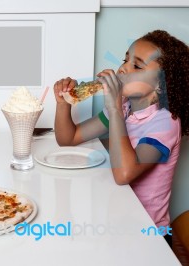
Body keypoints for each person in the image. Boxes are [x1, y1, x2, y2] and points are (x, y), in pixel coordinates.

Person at [53, 30, 189, 245]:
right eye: (125, 60)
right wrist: (63, 104)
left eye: (137, 65)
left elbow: (124, 174)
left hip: (148, 236)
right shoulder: (124, 109)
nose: (123, 68)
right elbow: (68, 139)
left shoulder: (165, 123)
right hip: (119, 223)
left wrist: (114, 107)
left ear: (161, 83)